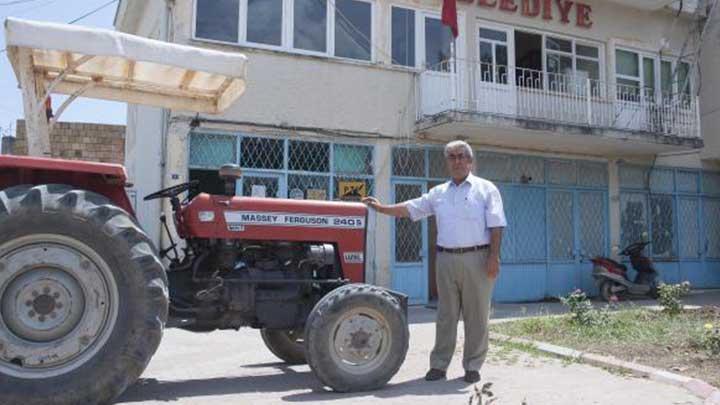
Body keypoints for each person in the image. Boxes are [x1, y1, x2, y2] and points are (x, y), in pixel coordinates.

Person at [362, 140, 506, 384]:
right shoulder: (438, 193)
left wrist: (494, 257)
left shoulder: (486, 189)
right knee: (446, 315)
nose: (457, 161)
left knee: (477, 316)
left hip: (478, 259)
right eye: (452, 157)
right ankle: (439, 366)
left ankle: (472, 366)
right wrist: (382, 208)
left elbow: (496, 224)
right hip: (445, 259)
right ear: (447, 162)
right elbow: (411, 208)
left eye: (462, 156)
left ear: (470, 161)